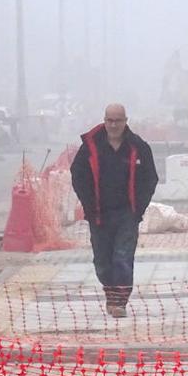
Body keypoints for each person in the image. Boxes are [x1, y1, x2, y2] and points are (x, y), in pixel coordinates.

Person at [70, 103, 158, 318]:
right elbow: (78, 176)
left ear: (125, 121)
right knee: (102, 261)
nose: (113, 124)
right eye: (109, 120)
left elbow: (150, 178)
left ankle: (119, 301)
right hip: (99, 214)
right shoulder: (90, 147)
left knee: (122, 257)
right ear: (104, 120)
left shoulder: (138, 147)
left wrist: (139, 208)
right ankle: (111, 293)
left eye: (118, 120)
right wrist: (88, 205)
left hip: (127, 214)